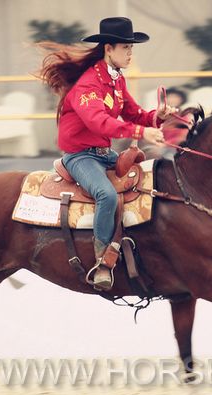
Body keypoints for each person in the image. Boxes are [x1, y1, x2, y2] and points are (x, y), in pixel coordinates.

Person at [38, 17, 174, 290]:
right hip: (81, 157)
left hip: (104, 153)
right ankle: (102, 261)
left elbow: (134, 113)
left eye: (131, 48)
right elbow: (99, 122)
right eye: (126, 47)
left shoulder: (116, 80)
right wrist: (141, 132)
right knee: (106, 194)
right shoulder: (88, 85)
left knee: (147, 179)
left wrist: (156, 118)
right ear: (108, 49)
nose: (130, 53)